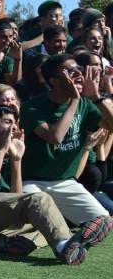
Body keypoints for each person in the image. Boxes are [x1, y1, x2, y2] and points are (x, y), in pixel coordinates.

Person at [0, 105, 111, 264]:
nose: (13, 128)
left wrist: (16, 160)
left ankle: (7, 243)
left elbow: (15, 198)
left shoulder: (2, 156)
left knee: (46, 221)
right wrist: (1, 151)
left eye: (15, 123)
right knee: (39, 200)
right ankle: (64, 246)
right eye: (7, 122)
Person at [19, 53, 113, 224]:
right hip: (32, 182)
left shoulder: (86, 104)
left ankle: (71, 242)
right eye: (71, 71)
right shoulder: (31, 107)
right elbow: (55, 137)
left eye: (79, 69)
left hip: (65, 182)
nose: (78, 74)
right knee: (38, 223)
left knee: (102, 222)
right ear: (54, 81)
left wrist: (97, 98)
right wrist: (75, 99)